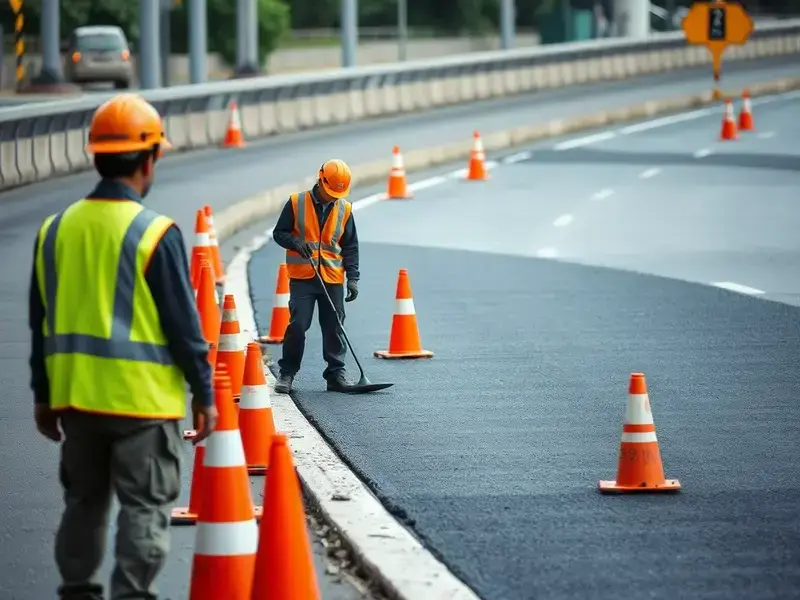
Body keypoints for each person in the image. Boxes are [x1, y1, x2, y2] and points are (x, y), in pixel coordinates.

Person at [28, 93, 218, 600]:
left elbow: (42, 325)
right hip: (141, 405)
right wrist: (204, 393)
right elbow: (184, 327)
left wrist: (44, 397)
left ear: (96, 156)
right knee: (144, 508)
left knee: (83, 504)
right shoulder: (154, 233)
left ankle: (77, 591)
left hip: (77, 403)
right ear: (148, 159)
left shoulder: (55, 230)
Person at [271, 159, 360, 394]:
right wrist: (295, 242)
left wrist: (353, 278)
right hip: (303, 277)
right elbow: (279, 233)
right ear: (321, 181)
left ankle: (336, 375)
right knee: (298, 325)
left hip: (332, 278)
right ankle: (287, 373)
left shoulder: (344, 209)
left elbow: (350, 246)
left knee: (335, 327)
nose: (333, 197)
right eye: (331, 192)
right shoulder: (296, 203)